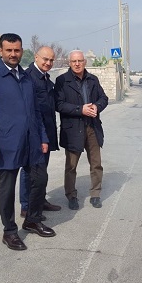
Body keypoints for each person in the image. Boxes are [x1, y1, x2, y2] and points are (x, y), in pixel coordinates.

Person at [0, 33, 56, 251]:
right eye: (9, 50)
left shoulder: (27, 77)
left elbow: (36, 111)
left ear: (22, 51)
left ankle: (32, 219)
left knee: (39, 180)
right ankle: (9, 231)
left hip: (32, 141)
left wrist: (43, 138)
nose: (13, 54)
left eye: (17, 50)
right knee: (8, 188)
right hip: (5, 143)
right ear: (0, 51)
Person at [54, 50, 109, 210]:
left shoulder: (93, 80)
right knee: (71, 166)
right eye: (73, 61)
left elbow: (103, 98)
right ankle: (71, 196)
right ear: (69, 63)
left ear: (85, 62)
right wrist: (80, 109)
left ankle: (95, 194)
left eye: (80, 61)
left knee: (96, 163)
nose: (77, 64)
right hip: (72, 130)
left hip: (92, 127)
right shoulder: (62, 81)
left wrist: (96, 107)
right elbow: (58, 104)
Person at [18, 46, 62, 219]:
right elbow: (29, 111)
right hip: (34, 133)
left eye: (51, 60)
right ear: (36, 57)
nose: (48, 63)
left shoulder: (44, 77)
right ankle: (27, 206)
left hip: (47, 132)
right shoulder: (29, 78)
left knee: (41, 170)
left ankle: (40, 201)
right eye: (45, 59)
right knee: (30, 171)